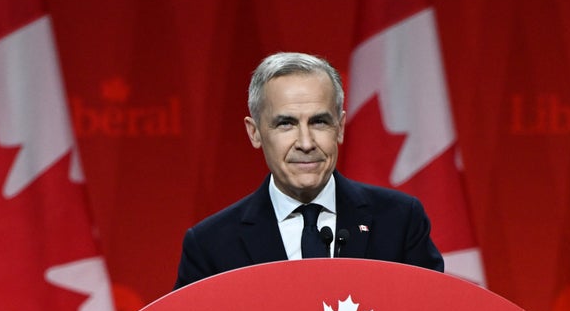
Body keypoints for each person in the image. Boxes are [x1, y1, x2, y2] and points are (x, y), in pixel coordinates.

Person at [173, 52, 443, 289]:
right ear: (254, 133)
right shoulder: (211, 244)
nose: (305, 143)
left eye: (319, 122)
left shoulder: (399, 220)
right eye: (286, 124)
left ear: (340, 127)